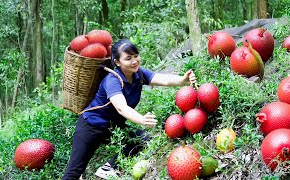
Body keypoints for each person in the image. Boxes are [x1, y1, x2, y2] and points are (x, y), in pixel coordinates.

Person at [62, 39, 197, 179]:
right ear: (117, 62)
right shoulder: (112, 80)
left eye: (136, 56)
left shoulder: (139, 74)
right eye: (128, 58)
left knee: (143, 140)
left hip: (113, 128)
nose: (134, 61)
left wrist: (182, 80)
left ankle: (108, 168)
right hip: (90, 127)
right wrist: (141, 119)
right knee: (74, 172)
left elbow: (162, 79)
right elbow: (121, 108)